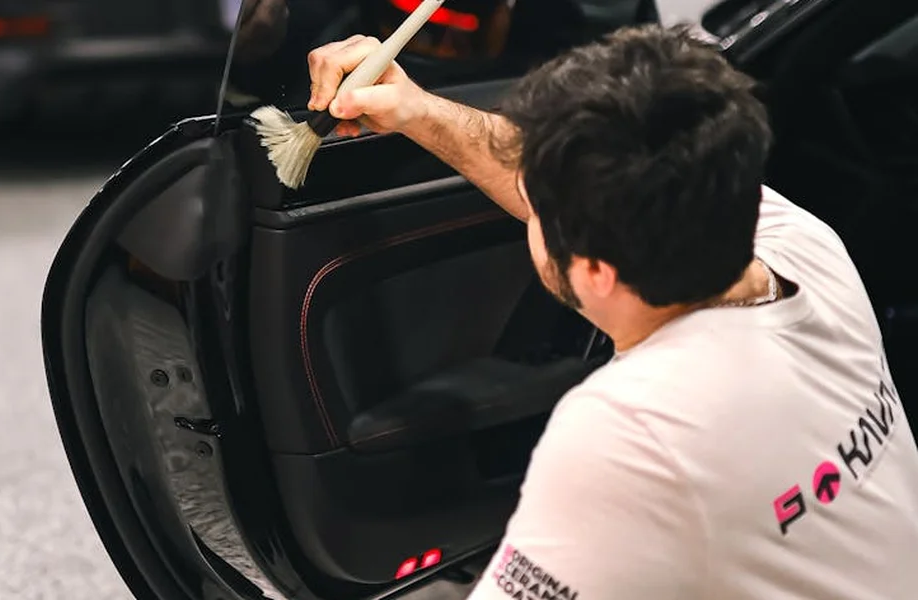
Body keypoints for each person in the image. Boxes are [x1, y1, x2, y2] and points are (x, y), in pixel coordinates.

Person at [305, 23, 918, 599]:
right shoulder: (801, 245)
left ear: (596, 270)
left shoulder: (638, 429)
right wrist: (416, 109)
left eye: (538, 207)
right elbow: (579, 169)